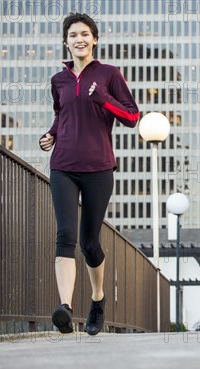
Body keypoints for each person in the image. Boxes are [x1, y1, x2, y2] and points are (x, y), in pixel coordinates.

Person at [39, 13, 139, 335]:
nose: (79, 39)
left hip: (98, 168)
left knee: (90, 243)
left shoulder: (109, 74)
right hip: (63, 165)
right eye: (72, 35)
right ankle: (65, 308)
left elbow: (132, 116)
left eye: (84, 34)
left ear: (94, 39)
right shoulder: (59, 80)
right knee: (65, 235)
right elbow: (61, 113)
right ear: (66, 42)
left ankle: (97, 299)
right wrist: (51, 134)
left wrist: (103, 98)